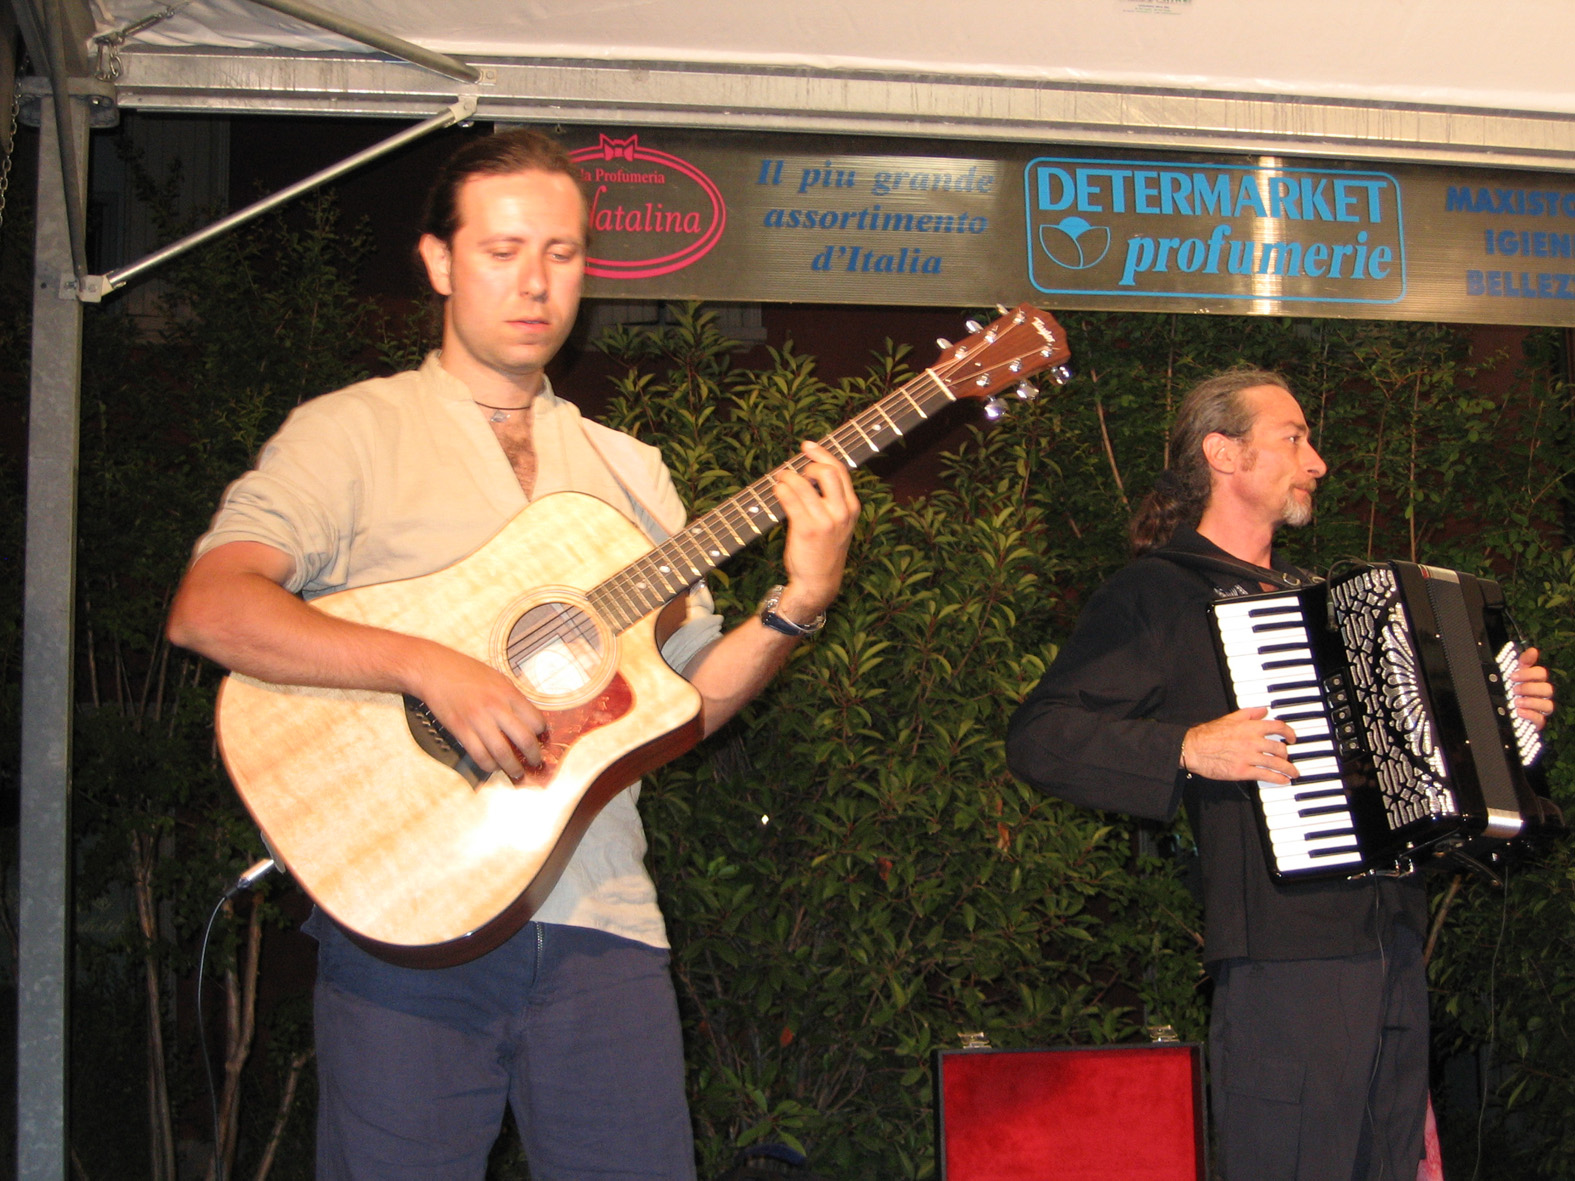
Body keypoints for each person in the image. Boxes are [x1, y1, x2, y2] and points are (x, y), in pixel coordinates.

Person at [166, 128, 859, 1180]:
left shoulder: (631, 471)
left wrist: (797, 603)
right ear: (439, 262)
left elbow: (688, 707)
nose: (535, 282)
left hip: (605, 926)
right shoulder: (350, 433)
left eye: (562, 253)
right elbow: (211, 607)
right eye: (501, 251)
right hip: (406, 910)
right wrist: (426, 665)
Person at [1004, 368, 1555, 1180]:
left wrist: (1505, 724)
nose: (1316, 461)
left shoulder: (1320, 600)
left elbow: (1418, 768)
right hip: (1283, 961)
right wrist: (1186, 747)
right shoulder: (1156, 593)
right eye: (1293, 438)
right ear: (1221, 453)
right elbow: (1039, 737)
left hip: (1393, 949)